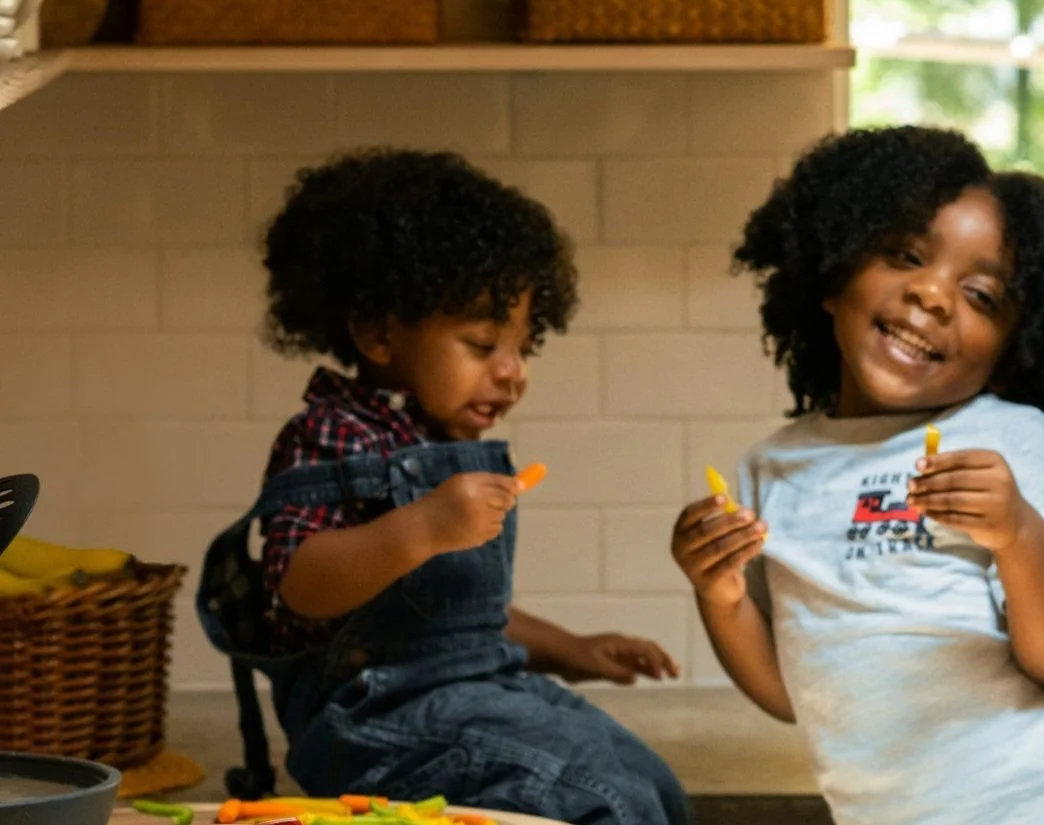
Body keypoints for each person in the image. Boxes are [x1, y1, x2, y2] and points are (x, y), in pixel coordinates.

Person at [670, 126, 1044, 825]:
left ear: (1012, 347)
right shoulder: (769, 470)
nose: (932, 295)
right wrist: (717, 594)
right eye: (905, 255)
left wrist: (1017, 533)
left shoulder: (1007, 438)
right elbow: (790, 692)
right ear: (833, 271)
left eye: (982, 295)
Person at [196, 149, 690, 825]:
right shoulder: (334, 434)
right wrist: (423, 526)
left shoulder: (438, 439)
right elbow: (299, 585)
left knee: (650, 784)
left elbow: (448, 610)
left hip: (476, 689)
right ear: (377, 332)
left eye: (523, 345)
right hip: (373, 717)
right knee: (605, 800)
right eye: (483, 344)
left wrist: (571, 648)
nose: (513, 372)